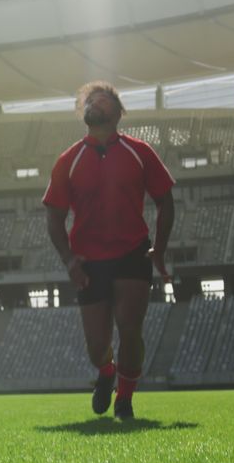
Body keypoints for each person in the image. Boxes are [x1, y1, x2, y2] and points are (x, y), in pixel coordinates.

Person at [44, 81, 175, 420]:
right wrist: (70, 260)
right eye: (89, 100)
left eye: (102, 100)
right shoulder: (68, 160)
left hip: (133, 251)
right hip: (89, 261)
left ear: (117, 114)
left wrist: (158, 250)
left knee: (130, 327)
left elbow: (166, 201)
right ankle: (106, 372)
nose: (93, 103)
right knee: (96, 346)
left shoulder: (139, 151)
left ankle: (126, 400)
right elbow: (54, 219)